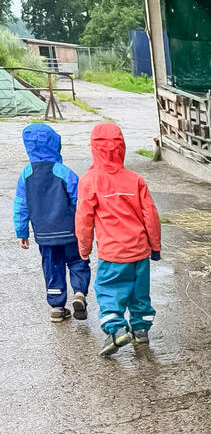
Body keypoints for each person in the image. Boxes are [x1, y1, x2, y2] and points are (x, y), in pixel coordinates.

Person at [75, 122, 162, 357]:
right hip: (140, 251)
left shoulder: (89, 181)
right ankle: (141, 330)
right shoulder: (134, 179)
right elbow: (150, 215)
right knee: (139, 293)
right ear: (121, 147)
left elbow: (83, 218)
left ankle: (116, 330)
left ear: (94, 148)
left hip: (113, 254)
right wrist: (155, 246)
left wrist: (83, 248)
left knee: (108, 290)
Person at [14, 123, 91, 322]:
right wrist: (86, 226)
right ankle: (80, 293)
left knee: (52, 266)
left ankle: (57, 306)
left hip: (45, 235)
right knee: (77, 262)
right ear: (55, 144)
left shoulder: (26, 175)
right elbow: (79, 200)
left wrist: (22, 231)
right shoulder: (63, 171)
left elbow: (21, 205)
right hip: (70, 231)